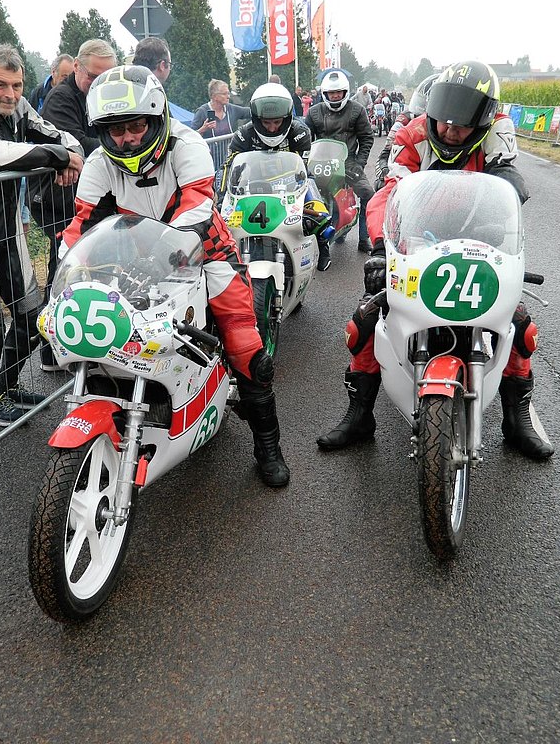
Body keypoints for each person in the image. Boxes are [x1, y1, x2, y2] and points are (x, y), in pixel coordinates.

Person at [61, 65, 290, 487]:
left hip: (206, 248)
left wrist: (161, 259)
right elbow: (82, 225)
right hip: (133, 257)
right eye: (116, 130)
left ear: (157, 117)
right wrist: (65, 273)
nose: (128, 138)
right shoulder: (99, 163)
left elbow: (197, 205)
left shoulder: (188, 144)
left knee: (245, 342)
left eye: (136, 126)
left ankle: (268, 446)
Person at [317, 60, 553, 460]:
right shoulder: (411, 134)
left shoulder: (498, 131)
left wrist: (510, 199)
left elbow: (508, 181)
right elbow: (388, 193)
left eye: (461, 125)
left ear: (483, 121)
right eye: (444, 120)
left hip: (480, 241)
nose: (449, 130)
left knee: (520, 324)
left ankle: (517, 420)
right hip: (418, 240)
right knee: (365, 319)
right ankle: (359, 415)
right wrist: (381, 249)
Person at [0, 45, 83, 426]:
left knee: (31, 316)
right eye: (1, 84)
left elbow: (67, 139)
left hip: (8, 234)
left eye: (17, 85)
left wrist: (64, 155)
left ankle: (4, 386)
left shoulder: (20, 108)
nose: (10, 94)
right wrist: (58, 158)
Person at [28, 39, 116, 370]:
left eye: (105, 76)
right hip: (56, 199)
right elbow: (80, 143)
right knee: (64, 269)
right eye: (92, 75)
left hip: (86, 197)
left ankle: (85, 342)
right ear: (77, 67)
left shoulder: (103, 94)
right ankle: (50, 349)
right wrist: (113, 142)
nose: (97, 82)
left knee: (89, 269)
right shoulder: (61, 99)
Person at [219, 82, 334, 271]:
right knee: (220, 215)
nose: (272, 128)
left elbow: (300, 170)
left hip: (294, 182)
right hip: (253, 184)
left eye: (277, 122)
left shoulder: (300, 133)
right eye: (266, 123)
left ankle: (322, 244)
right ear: (257, 119)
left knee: (320, 216)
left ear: (287, 118)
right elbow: (228, 167)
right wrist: (221, 197)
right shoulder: (243, 135)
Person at [305, 69, 375, 254]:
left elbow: (367, 138)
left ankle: (364, 238)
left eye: (338, 92)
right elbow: (305, 138)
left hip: (348, 161)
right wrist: (303, 161)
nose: (335, 96)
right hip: (319, 161)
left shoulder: (357, 110)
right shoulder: (314, 112)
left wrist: (359, 163)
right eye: (331, 93)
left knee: (368, 194)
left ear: (345, 92)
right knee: (303, 194)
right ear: (325, 94)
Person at [374, 73, 440, 189]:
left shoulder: (456, 129)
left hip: (440, 183)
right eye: (422, 102)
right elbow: (384, 155)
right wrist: (386, 172)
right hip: (409, 183)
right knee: (381, 185)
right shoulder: (403, 120)